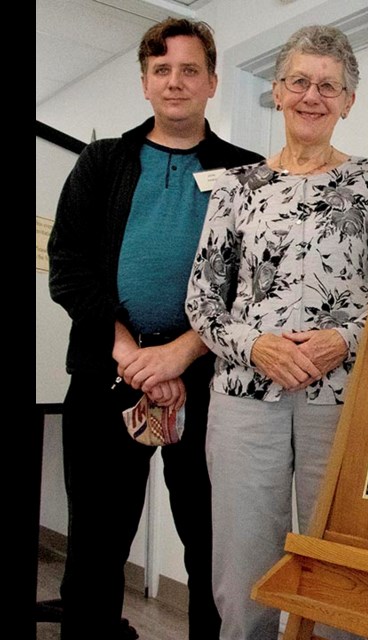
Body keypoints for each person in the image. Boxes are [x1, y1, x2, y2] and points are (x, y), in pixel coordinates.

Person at [47, 18, 262, 639]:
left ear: (212, 82)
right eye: (162, 70)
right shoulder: (101, 161)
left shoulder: (248, 174)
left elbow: (251, 286)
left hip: (211, 382)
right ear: (144, 83)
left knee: (212, 547)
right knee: (94, 550)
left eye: (190, 70)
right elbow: (68, 267)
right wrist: (130, 352)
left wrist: (181, 354)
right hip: (106, 376)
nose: (176, 82)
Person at [186, 24, 368, 639]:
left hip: (344, 401)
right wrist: (255, 345)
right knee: (244, 566)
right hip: (246, 400)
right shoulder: (237, 188)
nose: (313, 96)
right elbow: (203, 299)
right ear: (277, 92)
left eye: (329, 86)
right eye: (300, 81)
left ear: (349, 101)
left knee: (342, 564)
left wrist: (345, 338)